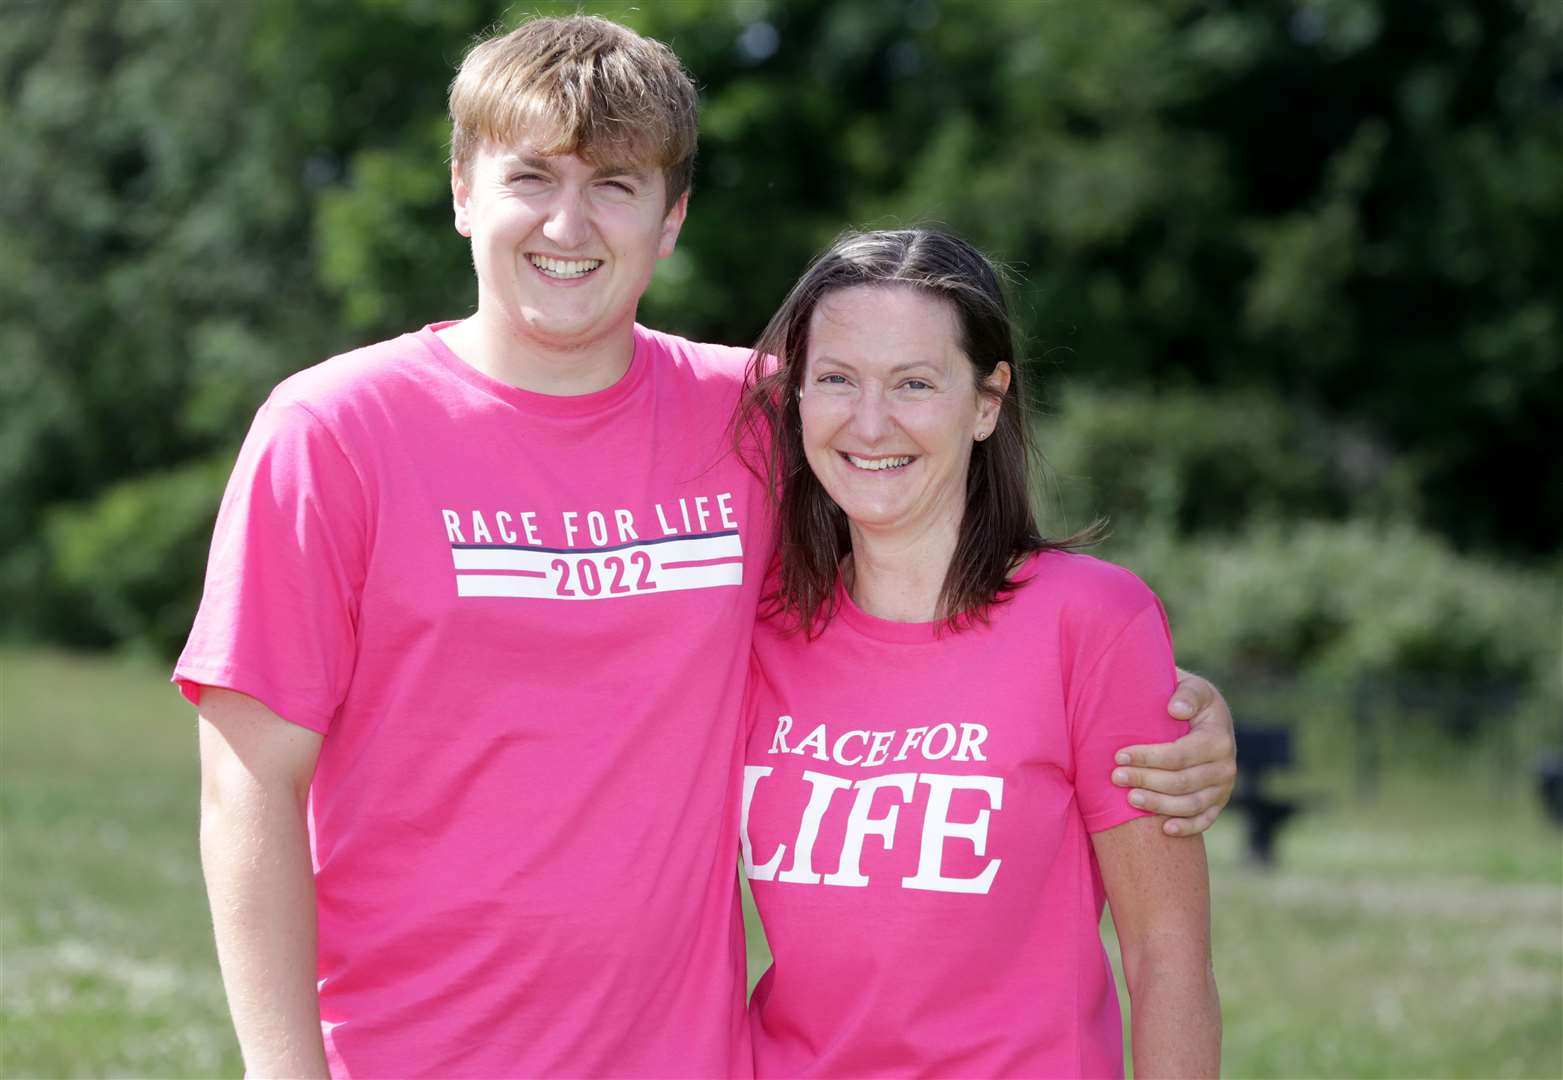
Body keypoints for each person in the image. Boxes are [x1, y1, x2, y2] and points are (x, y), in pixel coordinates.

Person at [175, 15, 1234, 1078]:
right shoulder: (334, 434)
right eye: (532, 176)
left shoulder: (756, 419)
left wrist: (1169, 709)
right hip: (413, 1055)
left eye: (618, 185)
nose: (568, 221)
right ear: (461, 191)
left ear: (671, 219)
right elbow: (246, 790)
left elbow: (931, 568)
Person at [735, 229, 1221, 1078]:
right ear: (800, 397)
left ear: (988, 401)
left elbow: (1167, 963)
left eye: (915, 383)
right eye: (837, 380)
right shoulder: (754, 627)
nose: (871, 421)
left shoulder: (1092, 620)